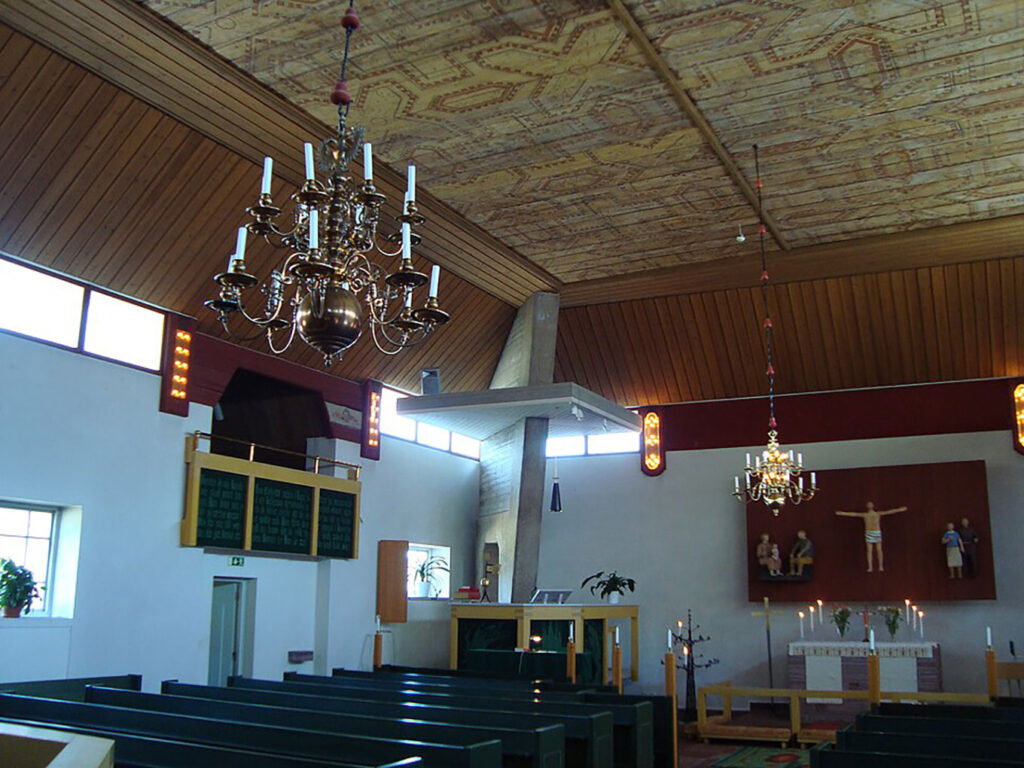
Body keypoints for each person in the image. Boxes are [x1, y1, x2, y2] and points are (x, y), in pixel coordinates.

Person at [835, 501, 907, 572]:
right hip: (870, 532)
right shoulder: (867, 515)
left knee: (877, 550)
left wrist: (900, 509)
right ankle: (871, 567)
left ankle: (879, 566)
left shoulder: (876, 514)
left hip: (875, 532)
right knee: (871, 550)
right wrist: (842, 513)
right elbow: (853, 514)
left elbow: (890, 512)